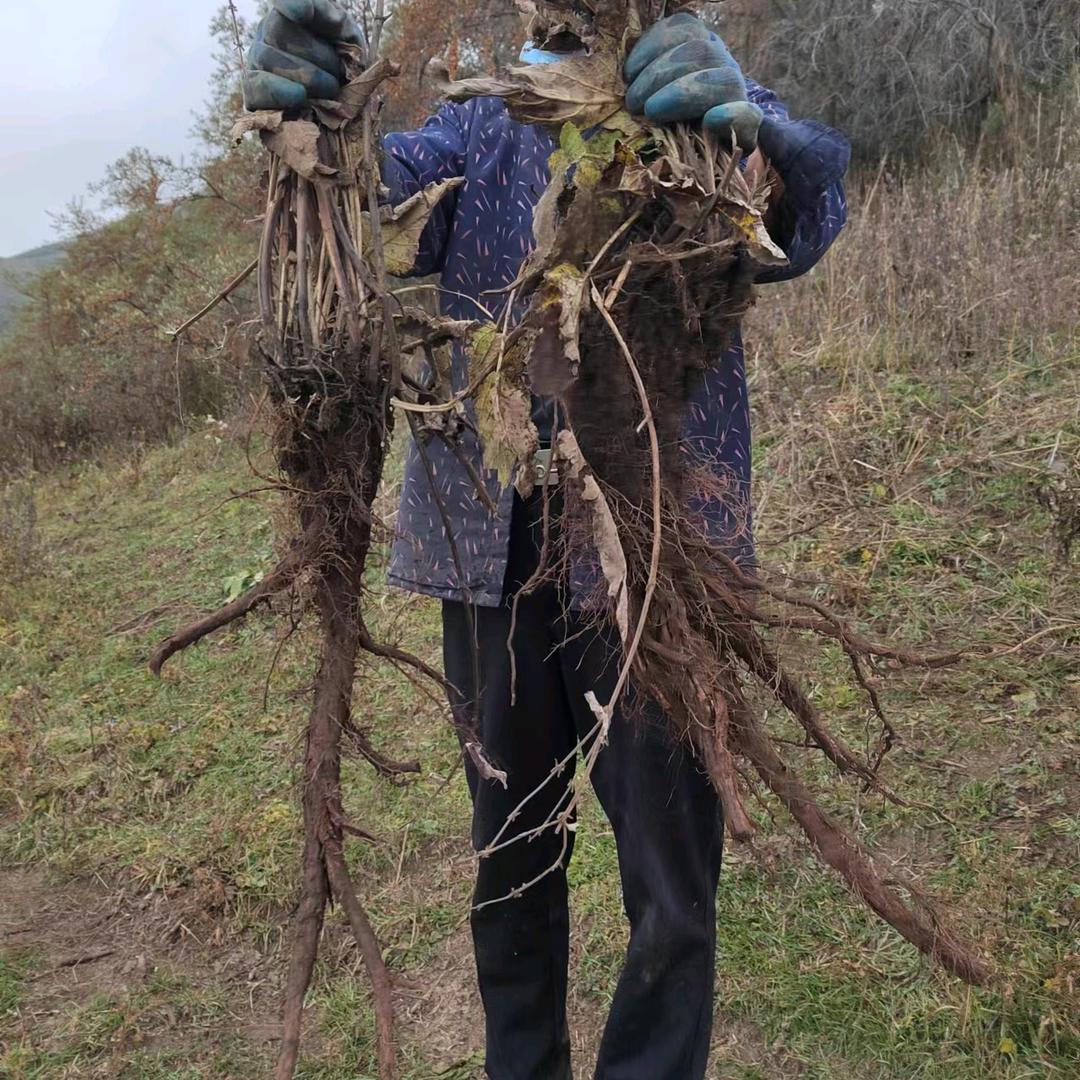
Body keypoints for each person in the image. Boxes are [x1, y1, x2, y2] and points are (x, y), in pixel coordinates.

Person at [246, 3, 850, 1077]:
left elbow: (804, 204)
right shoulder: (473, 127)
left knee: (672, 885)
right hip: (489, 553)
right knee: (511, 862)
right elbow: (379, 191)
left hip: (660, 558)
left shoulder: (693, 98)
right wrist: (322, 121)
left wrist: (754, 132)